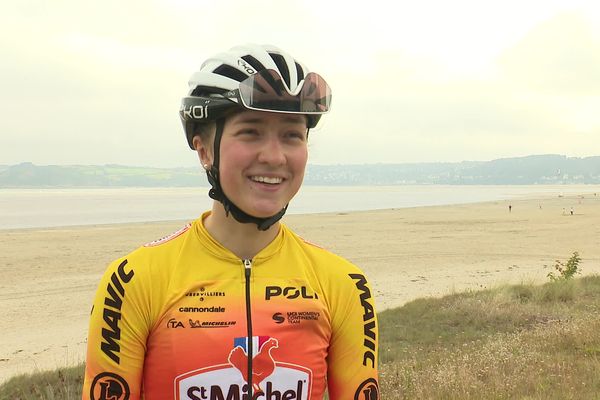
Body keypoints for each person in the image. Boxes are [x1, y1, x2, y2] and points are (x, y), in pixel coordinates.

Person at [82, 44, 379, 400]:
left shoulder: (344, 284)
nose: (274, 156)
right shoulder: (134, 281)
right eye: (250, 131)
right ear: (205, 151)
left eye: (291, 135)